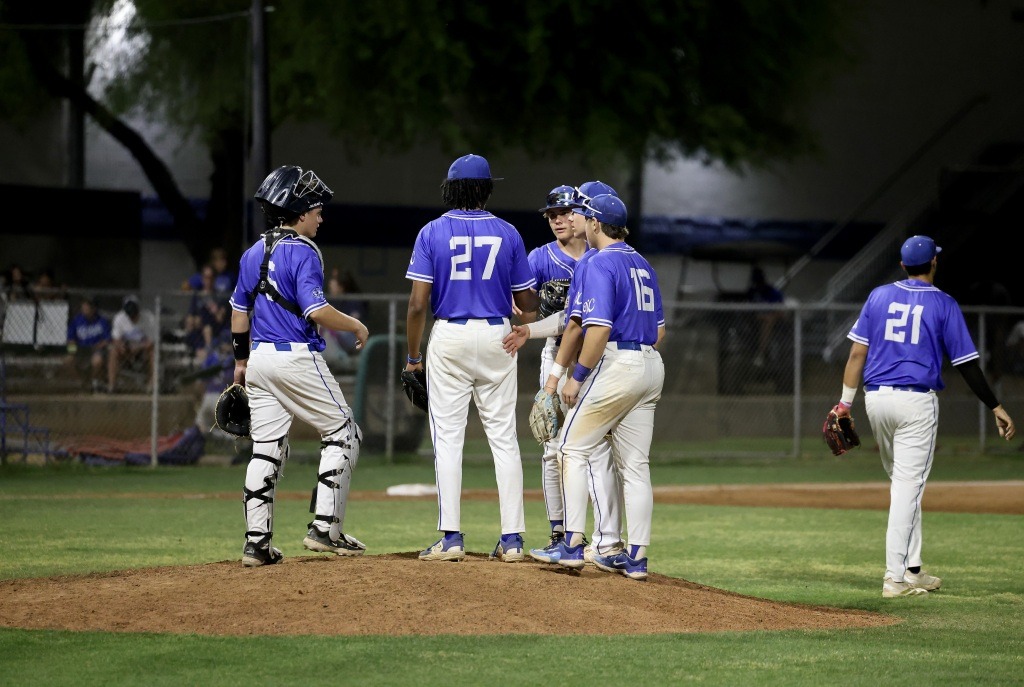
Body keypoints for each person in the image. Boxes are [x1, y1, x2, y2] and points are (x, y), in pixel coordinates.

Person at [834, 235, 1015, 598]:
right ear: (934, 263)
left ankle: (912, 569)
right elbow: (967, 365)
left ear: (902, 265)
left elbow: (856, 355)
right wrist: (995, 405)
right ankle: (894, 579)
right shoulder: (944, 304)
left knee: (904, 484)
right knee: (907, 488)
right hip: (915, 404)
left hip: (877, 400)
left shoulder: (878, 296)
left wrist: (844, 405)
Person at [229, 165, 370, 568]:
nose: (320, 216)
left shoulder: (252, 252)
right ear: (299, 211)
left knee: (266, 450)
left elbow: (240, 313)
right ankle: (326, 528)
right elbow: (316, 309)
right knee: (344, 432)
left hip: (259, 359)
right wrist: (356, 323)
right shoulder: (304, 251)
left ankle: (256, 544)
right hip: (295, 357)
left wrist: (241, 363)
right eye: (316, 209)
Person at [405, 153, 539, 563]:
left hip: (451, 335)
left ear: (450, 188)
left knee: (448, 440)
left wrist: (413, 357)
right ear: (486, 189)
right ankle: (513, 539)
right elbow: (527, 300)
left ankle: (451, 538)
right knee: (503, 439)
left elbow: (416, 305)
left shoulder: (432, 231)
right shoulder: (509, 232)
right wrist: (526, 321)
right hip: (498, 334)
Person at [533, 193, 666, 581]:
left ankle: (571, 545)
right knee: (637, 467)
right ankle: (635, 558)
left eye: (584, 218)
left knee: (572, 448)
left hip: (617, 362)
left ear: (594, 223)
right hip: (651, 365)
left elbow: (599, 327)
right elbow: (659, 331)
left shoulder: (599, 262)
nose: (580, 223)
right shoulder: (641, 262)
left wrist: (576, 378)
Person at [503, 181, 626, 563]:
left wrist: (532, 329)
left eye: (566, 212)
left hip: (599, 361)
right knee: (553, 448)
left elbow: (576, 319)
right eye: (553, 215)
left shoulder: (603, 256)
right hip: (556, 357)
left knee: (599, 452)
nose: (559, 220)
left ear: (584, 216)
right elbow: (522, 304)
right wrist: (523, 324)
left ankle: (605, 539)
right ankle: (563, 530)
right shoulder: (541, 258)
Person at [107, 294, 157, 393]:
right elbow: (116, 339)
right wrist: (121, 347)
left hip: (143, 349)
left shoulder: (149, 318)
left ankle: (152, 384)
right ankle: (112, 385)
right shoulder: (119, 318)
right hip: (126, 349)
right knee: (113, 351)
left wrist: (138, 347)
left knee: (153, 352)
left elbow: (152, 341)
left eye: (134, 313)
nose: (132, 317)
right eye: (130, 314)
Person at [66, 296, 112, 393]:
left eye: (89, 306)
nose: (86, 309)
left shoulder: (102, 321)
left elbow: (107, 339)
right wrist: (72, 352)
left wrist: (99, 345)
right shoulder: (76, 321)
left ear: (94, 308)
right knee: (68, 360)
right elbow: (71, 339)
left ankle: (93, 381)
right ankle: (82, 382)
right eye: (84, 306)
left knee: (97, 361)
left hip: (96, 348)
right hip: (81, 349)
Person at [746, 266, 785, 367]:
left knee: (770, 320)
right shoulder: (752, 292)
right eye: (756, 281)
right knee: (767, 320)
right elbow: (748, 309)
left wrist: (773, 313)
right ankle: (760, 353)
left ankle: (761, 353)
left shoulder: (770, 291)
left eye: (760, 281)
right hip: (755, 317)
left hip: (770, 317)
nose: (759, 284)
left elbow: (780, 305)